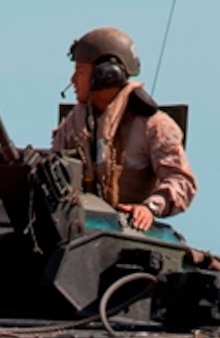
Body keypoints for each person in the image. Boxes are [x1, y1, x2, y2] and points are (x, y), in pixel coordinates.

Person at [52, 27, 196, 232]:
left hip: (130, 235)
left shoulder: (152, 126)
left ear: (106, 75)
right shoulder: (74, 124)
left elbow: (182, 181)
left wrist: (149, 207)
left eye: (80, 72)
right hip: (80, 232)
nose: (73, 80)